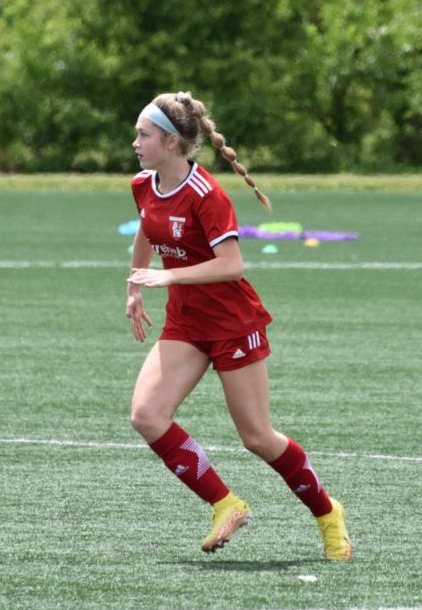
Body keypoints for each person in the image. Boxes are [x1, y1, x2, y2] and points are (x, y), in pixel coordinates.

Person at [125, 91, 351, 561]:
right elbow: (148, 227)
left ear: (170, 142)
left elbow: (232, 264)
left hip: (232, 323)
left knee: (257, 438)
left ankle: (329, 514)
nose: (135, 143)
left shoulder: (208, 195)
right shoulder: (144, 184)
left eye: (143, 135)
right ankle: (226, 504)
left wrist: (168, 275)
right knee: (147, 416)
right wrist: (135, 287)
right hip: (186, 322)